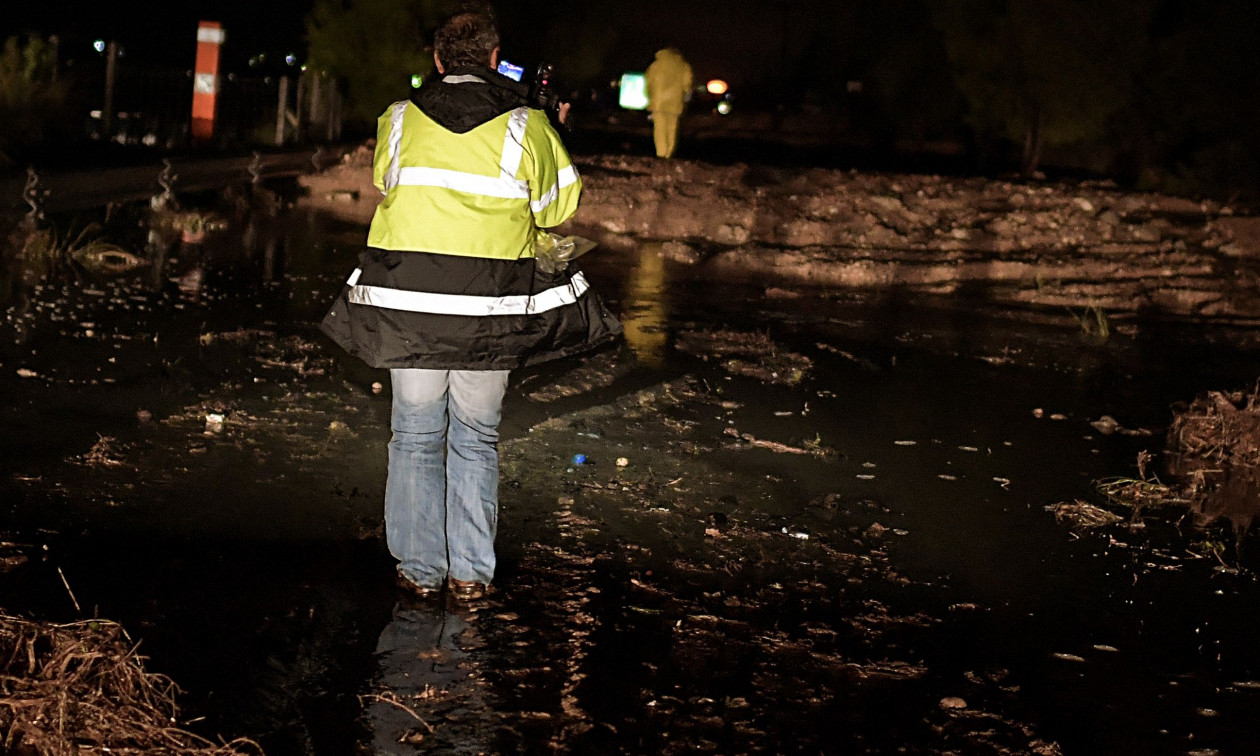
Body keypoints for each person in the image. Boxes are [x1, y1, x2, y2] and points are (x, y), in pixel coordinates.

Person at [320, 9, 622, 602]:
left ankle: (418, 572)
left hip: (408, 307)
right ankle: (469, 577)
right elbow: (560, 209)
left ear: (437, 61)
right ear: (493, 57)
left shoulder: (398, 118)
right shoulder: (526, 125)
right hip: (490, 309)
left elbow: (389, 182)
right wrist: (555, 130)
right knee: (475, 438)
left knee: (412, 435)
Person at [645, 47, 694, 159]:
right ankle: (669, 153)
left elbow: (649, 82)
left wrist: (650, 96)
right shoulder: (683, 65)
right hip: (675, 103)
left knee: (659, 128)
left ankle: (661, 153)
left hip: (658, 103)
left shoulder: (656, 65)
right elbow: (688, 83)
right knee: (672, 128)